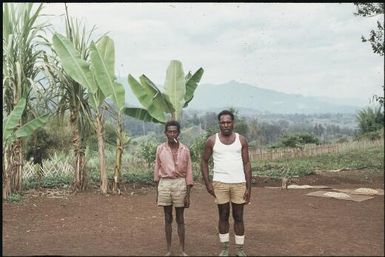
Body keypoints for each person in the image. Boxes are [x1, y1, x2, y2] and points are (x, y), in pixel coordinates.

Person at [201, 110, 252, 257]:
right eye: (222, 122)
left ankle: (240, 250)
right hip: (220, 183)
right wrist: (207, 183)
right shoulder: (212, 140)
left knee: (239, 216)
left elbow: (247, 164)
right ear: (219, 124)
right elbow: (204, 161)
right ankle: (224, 249)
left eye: (228, 122)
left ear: (233, 123)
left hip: (239, 183)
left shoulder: (241, 140)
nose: (226, 125)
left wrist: (249, 187)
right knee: (223, 215)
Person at [154, 120, 193, 256]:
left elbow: (189, 172)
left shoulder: (185, 149)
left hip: (180, 184)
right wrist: (157, 192)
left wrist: (188, 194)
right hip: (164, 184)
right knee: (167, 217)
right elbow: (157, 169)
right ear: (165, 133)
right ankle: (169, 250)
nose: (172, 134)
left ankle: (182, 250)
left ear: (178, 133)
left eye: (174, 131)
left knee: (180, 218)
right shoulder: (160, 149)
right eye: (169, 131)